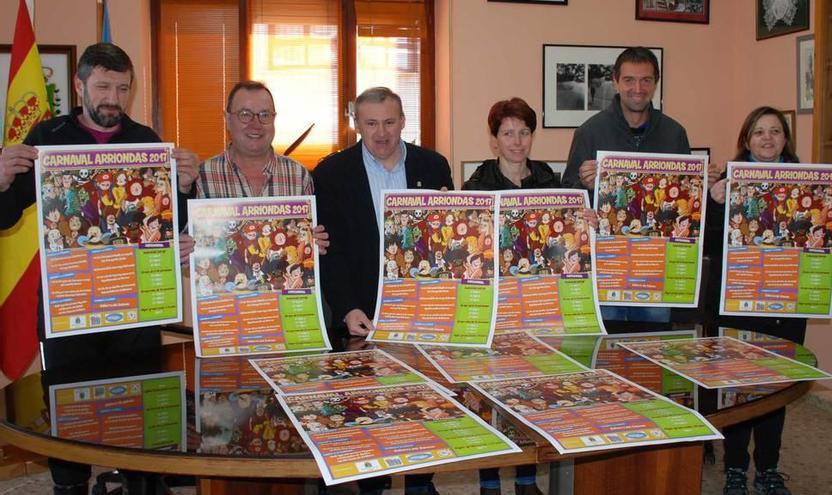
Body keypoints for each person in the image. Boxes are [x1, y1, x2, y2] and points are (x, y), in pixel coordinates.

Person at [0, 43, 199, 495]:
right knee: (68, 418)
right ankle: (69, 487)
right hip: (69, 310)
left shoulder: (146, 140)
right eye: (103, 86)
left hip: (137, 310)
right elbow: (5, 215)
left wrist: (184, 187)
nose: (113, 97)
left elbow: (171, 223)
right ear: (79, 85)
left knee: (142, 416)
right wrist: (3, 179)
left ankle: (143, 485)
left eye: (122, 88)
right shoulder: (46, 138)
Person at [705, 106, 832, 495]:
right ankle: (736, 468)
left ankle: (769, 468)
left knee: (776, 389)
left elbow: (827, 248)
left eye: (775, 131)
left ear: (785, 139)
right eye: (759, 132)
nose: (768, 138)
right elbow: (706, 245)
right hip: (739, 302)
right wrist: (715, 204)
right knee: (737, 389)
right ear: (746, 139)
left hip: (785, 306)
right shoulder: (727, 183)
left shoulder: (810, 188)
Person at [313, 86, 453, 495]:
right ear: (357, 124)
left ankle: (421, 481)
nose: (381, 133)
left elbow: (451, 238)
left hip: (420, 310)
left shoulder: (434, 165)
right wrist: (345, 308)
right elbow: (328, 251)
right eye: (370, 123)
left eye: (389, 122)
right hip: (361, 311)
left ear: (403, 121)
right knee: (366, 408)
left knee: (422, 403)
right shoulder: (330, 172)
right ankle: (372, 484)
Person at [561, 46, 707, 333]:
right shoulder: (590, 131)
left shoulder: (674, 133)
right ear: (615, 81)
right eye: (629, 80)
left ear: (655, 83)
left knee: (653, 351)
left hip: (654, 268)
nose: (637, 88)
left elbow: (687, 200)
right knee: (604, 351)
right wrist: (583, 184)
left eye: (645, 80)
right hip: (606, 266)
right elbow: (568, 196)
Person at [462, 97, 553, 495]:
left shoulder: (551, 180)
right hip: (492, 306)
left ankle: (527, 477)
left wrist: (584, 220)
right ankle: (489, 479)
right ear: (494, 140)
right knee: (488, 392)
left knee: (530, 391)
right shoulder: (477, 184)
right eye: (508, 133)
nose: (517, 141)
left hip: (535, 303)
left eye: (524, 132)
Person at [176, 80, 329, 262]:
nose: (255, 124)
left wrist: (314, 242)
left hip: (281, 286)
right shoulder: (201, 176)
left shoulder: (299, 176)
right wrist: (182, 248)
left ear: (274, 119)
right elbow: (181, 243)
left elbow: (307, 241)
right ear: (227, 119)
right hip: (225, 287)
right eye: (245, 114)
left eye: (264, 115)